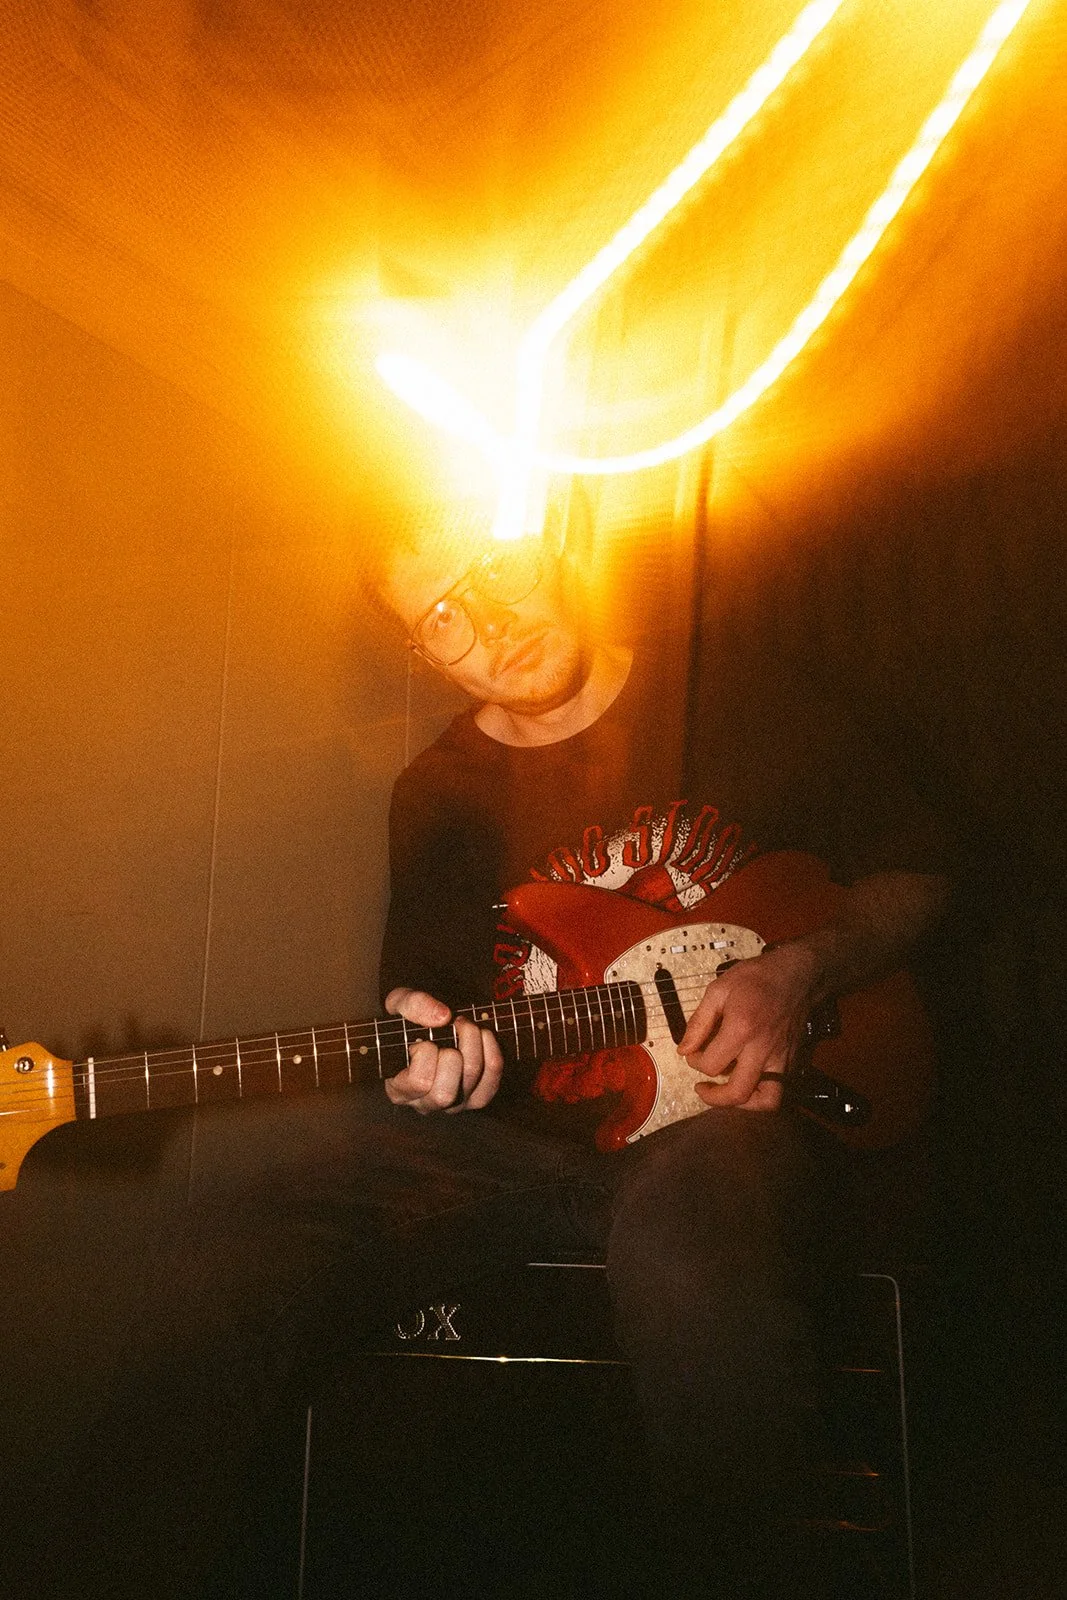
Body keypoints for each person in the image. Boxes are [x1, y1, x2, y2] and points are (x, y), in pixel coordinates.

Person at [0, 507, 948, 1600]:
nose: (490, 624)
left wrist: (799, 972)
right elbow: (427, 1014)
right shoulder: (437, 793)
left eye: (497, 568)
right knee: (231, 1257)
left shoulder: (732, 689)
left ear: (554, 541)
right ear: (422, 654)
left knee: (689, 1259)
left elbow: (922, 875)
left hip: (731, 1125)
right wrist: (430, 1071)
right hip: (517, 1150)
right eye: (443, 616)